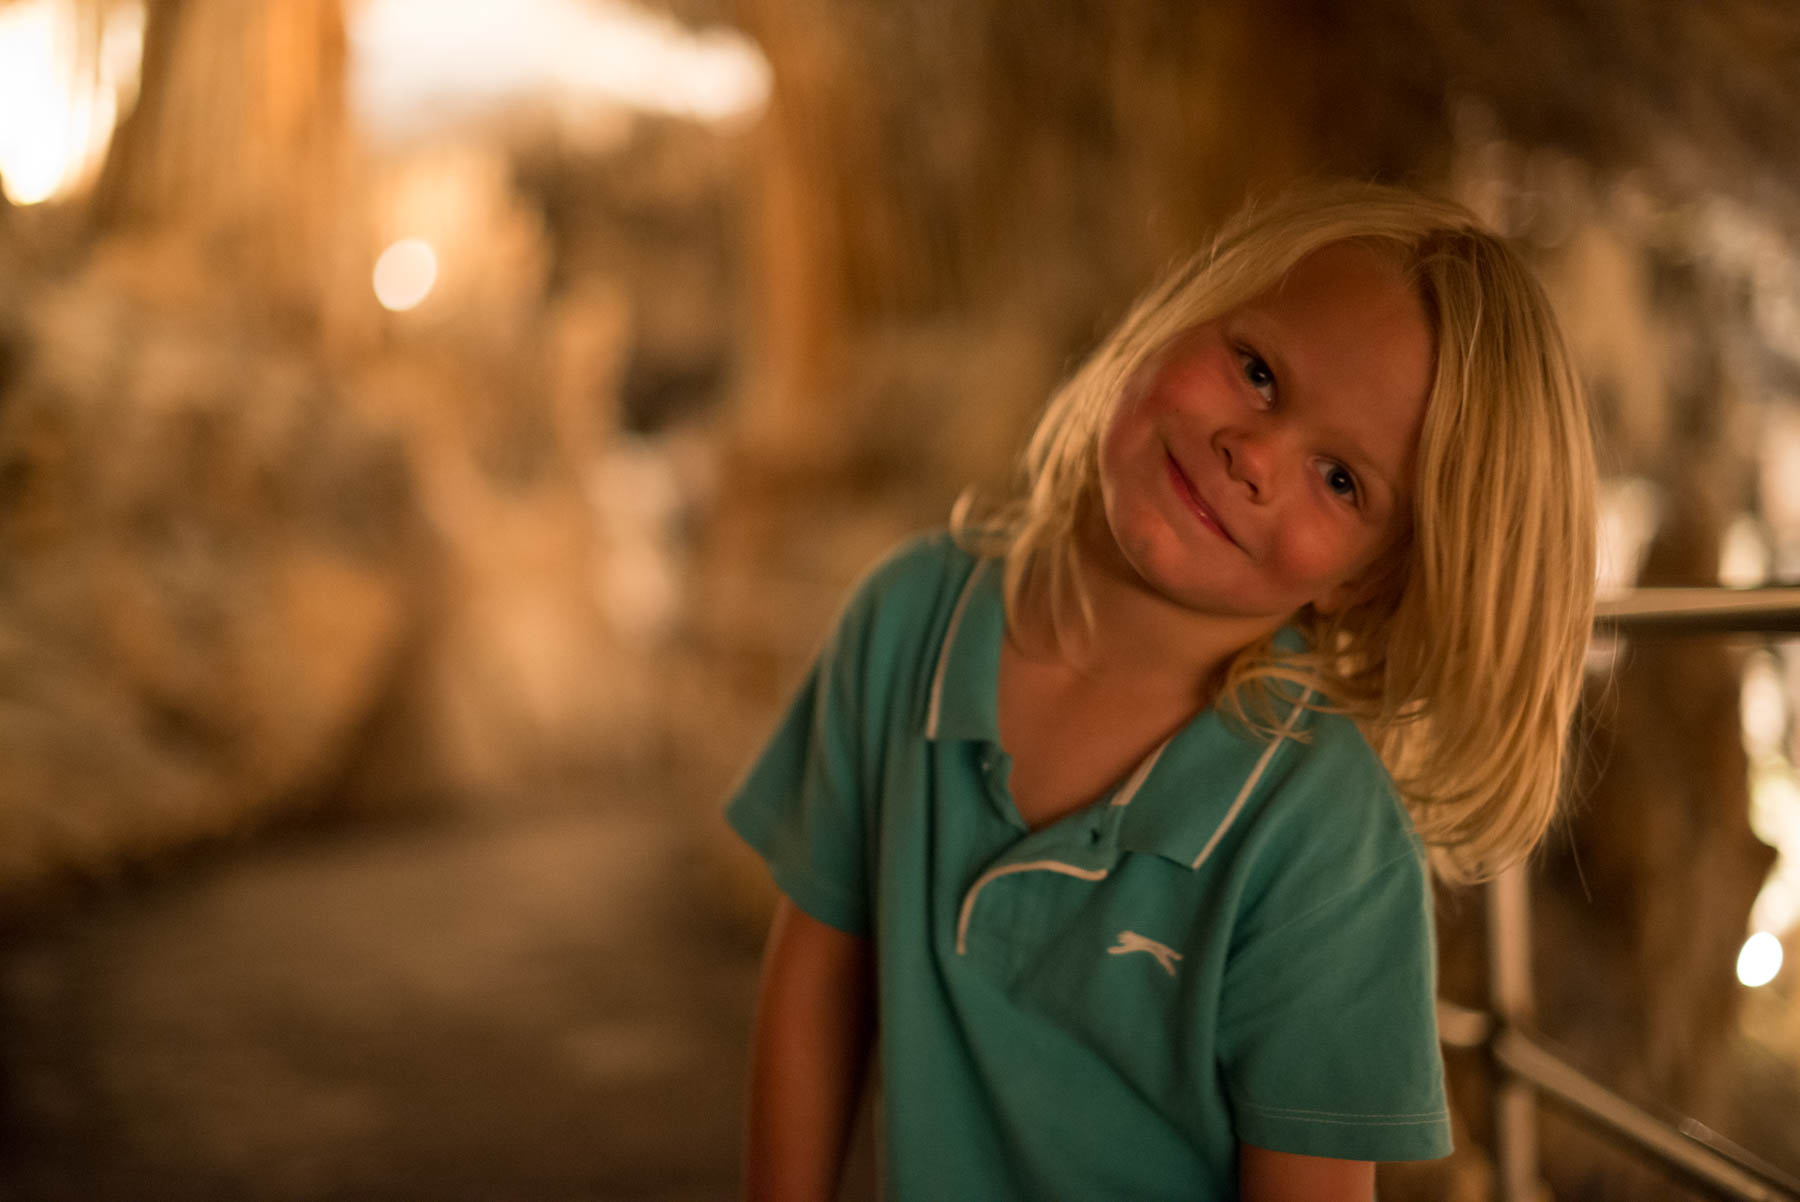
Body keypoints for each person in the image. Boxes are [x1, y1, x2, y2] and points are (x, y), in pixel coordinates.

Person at [726, 181, 1597, 1201]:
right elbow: (820, 977)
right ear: (1182, 316)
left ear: (1367, 581)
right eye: (1258, 372)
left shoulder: (1325, 842)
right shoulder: (906, 618)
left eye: (1342, 480)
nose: (1255, 455)